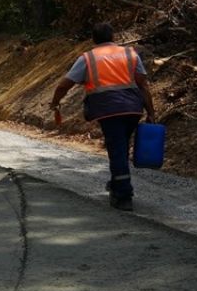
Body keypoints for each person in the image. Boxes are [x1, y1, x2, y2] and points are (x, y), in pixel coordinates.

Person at [50, 23, 157, 211]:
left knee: (116, 150)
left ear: (94, 39)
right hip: (133, 109)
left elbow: (64, 85)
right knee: (120, 148)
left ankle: (124, 195)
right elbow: (143, 86)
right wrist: (151, 112)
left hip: (109, 110)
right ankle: (117, 183)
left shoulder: (88, 58)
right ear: (113, 36)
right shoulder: (130, 54)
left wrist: (55, 103)